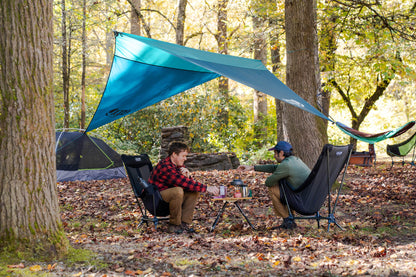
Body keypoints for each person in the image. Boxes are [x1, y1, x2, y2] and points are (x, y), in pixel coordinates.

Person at [149, 141, 219, 234]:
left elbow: (188, 183)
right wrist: (206, 188)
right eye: (183, 156)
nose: (185, 159)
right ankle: (174, 226)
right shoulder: (166, 166)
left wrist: (187, 176)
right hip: (156, 198)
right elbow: (181, 182)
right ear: (174, 154)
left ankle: (184, 224)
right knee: (177, 191)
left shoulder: (177, 166)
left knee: (193, 191)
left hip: (167, 196)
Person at [238, 141, 310, 229]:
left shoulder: (286, 165)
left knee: (273, 187)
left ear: (282, 153)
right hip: (308, 198)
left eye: (275, 153)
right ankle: (290, 220)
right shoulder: (295, 160)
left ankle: (287, 220)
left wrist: (276, 176)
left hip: (301, 202)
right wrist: (253, 168)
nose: (274, 156)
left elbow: (269, 182)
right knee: (283, 185)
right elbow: (276, 168)